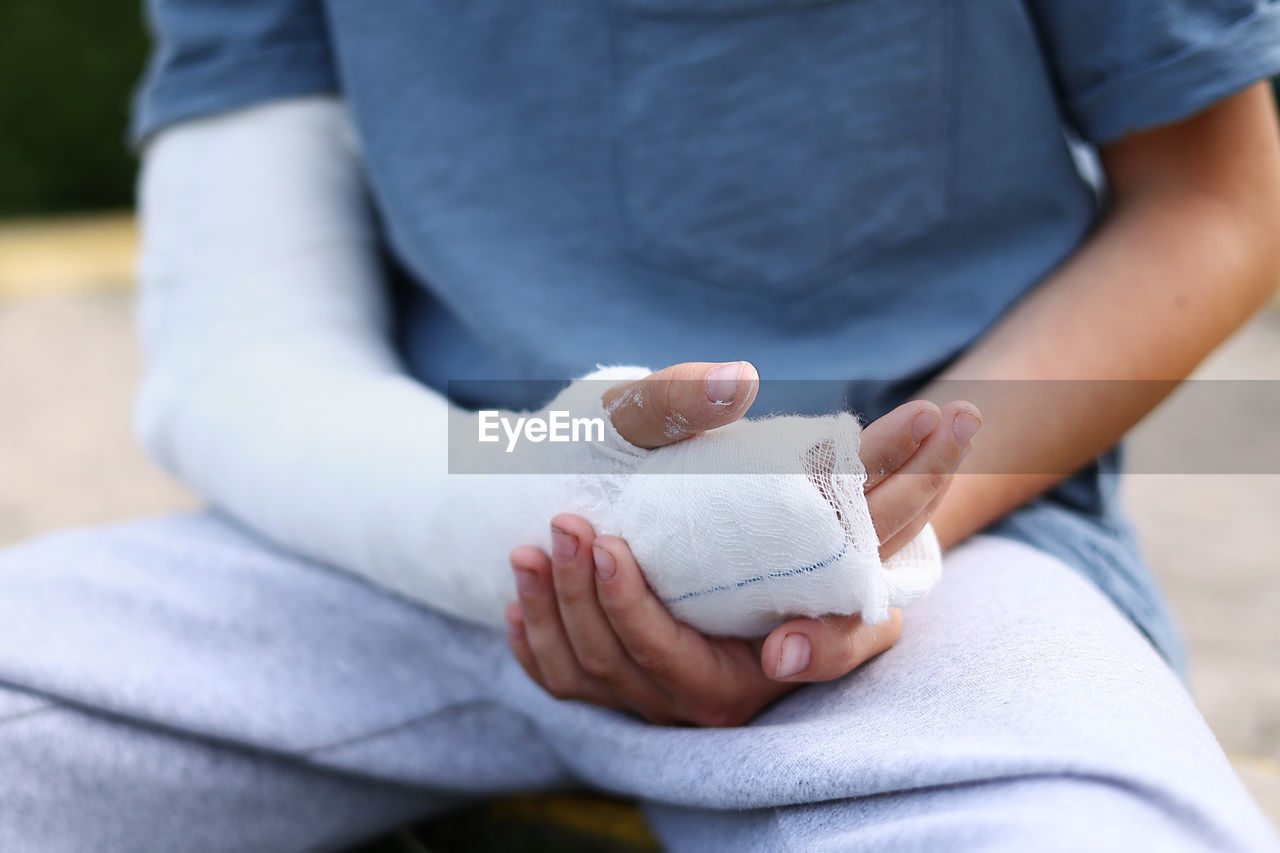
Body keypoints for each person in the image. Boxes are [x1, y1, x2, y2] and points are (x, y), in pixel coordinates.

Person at [3, 1, 1280, 850]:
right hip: (383, 542)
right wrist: (572, 492)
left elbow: (1214, 203)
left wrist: (828, 530)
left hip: (914, 580)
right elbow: (243, 344)